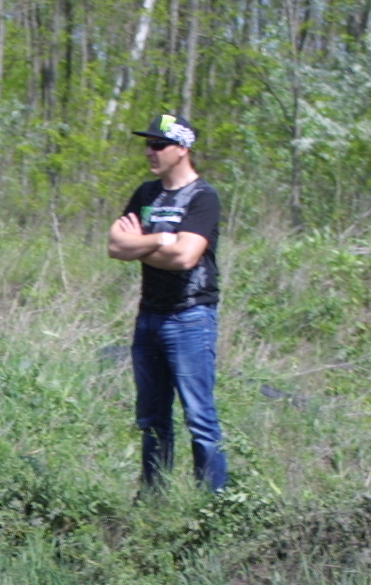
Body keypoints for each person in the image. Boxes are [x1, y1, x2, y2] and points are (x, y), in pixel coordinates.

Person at [107, 113, 227, 492]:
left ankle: (213, 504)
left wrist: (141, 245)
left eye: (158, 145)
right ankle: (153, 499)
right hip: (149, 317)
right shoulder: (146, 195)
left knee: (200, 418)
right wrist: (162, 240)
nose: (150, 151)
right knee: (151, 419)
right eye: (148, 144)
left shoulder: (203, 197)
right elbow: (115, 246)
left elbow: (186, 257)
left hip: (190, 317)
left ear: (182, 149)